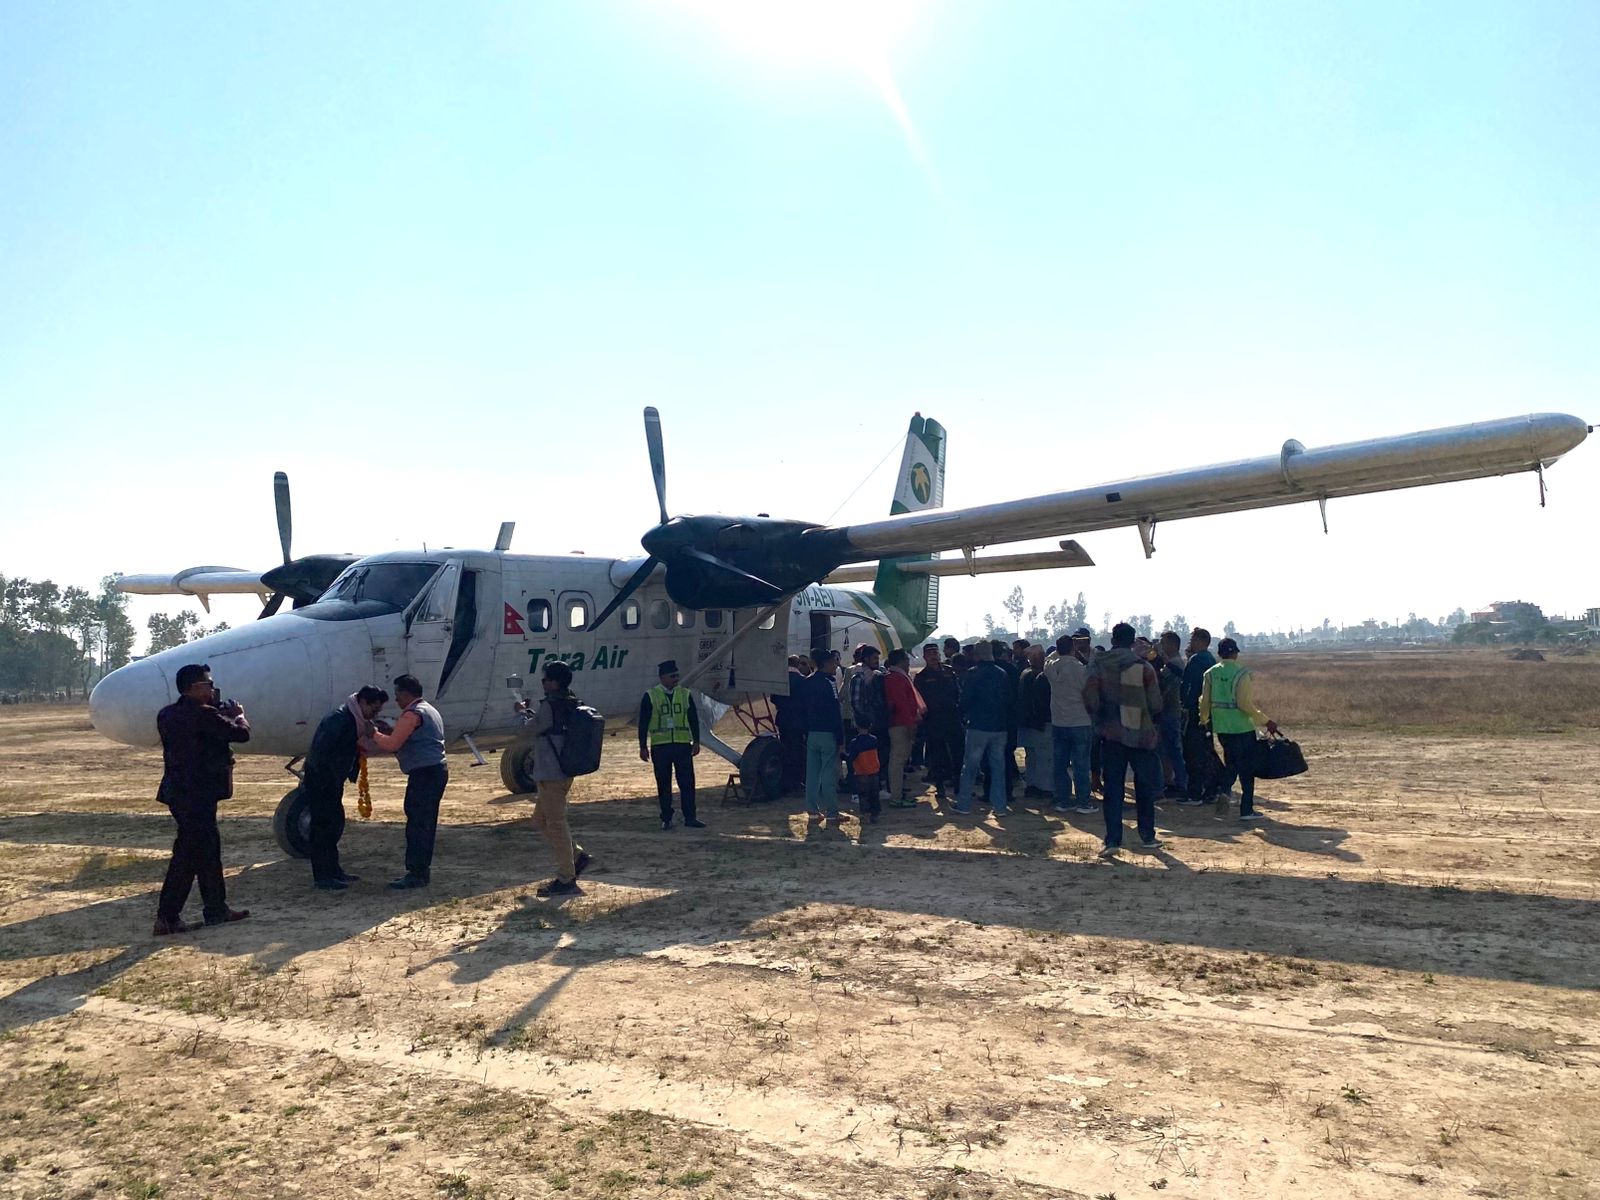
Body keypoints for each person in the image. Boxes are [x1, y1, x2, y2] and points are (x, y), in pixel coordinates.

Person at [152, 662, 251, 935]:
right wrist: (239, 716)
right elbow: (242, 734)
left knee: (206, 853)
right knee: (189, 856)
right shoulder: (204, 715)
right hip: (199, 793)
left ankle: (215, 909)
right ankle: (168, 917)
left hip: (177, 792)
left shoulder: (167, 715)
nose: (212, 689)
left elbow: (196, 733)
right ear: (194, 688)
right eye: (207, 684)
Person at [1084, 623, 1164, 856]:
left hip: (1111, 735)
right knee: (1144, 787)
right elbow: (1156, 704)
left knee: (1113, 788)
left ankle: (1112, 840)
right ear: (1131, 642)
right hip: (1140, 735)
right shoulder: (1143, 667)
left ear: (1112, 640)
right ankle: (1147, 836)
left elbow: (1089, 697)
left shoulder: (1098, 665)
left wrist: (1099, 720)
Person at [301, 686, 389, 890]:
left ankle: (333, 870)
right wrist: (329, 780)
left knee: (332, 826)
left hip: (331, 781)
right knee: (323, 828)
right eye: (373, 710)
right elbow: (323, 754)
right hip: (323, 782)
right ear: (363, 703)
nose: (374, 715)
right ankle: (323, 876)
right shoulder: (340, 720)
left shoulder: (351, 719)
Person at [368, 674, 448, 890]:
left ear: (405, 693)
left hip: (424, 773)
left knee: (417, 823)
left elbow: (393, 744)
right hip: (435, 770)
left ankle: (416, 872)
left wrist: (373, 733)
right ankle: (421, 871)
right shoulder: (429, 710)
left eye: (397, 694)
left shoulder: (412, 714)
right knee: (425, 821)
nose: (396, 700)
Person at [521, 660, 592, 895]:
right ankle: (577, 857)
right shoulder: (570, 702)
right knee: (541, 821)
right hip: (561, 769)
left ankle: (566, 878)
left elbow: (532, 729)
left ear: (554, 682)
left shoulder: (551, 705)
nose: (543, 683)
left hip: (551, 771)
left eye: (545, 679)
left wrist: (522, 715)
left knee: (556, 824)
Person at [1200, 638, 1279, 822]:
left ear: (1219, 654)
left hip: (1223, 729)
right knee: (1247, 769)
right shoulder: (1242, 673)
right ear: (1235, 653)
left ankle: (1225, 791)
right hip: (1242, 728)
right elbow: (1245, 704)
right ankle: (1246, 809)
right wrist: (1266, 721)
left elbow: (1204, 701)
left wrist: (1204, 720)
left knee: (1232, 763)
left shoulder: (1210, 674)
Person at [639, 660, 703, 830]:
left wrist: (696, 740)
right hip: (661, 746)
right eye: (672, 676)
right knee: (664, 784)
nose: (676, 679)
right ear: (662, 678)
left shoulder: (685, 694)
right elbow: (643, 722)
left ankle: (690, 817)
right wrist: (642, 746)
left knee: (687, 783)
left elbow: (693, 719)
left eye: (677, 676)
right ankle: (666, 817)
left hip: (682, 744)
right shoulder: (651, 695)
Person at [955, 640, 1011, 817]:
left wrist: (961, 714)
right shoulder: (1002, 674)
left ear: (977, 655)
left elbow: (966, 700)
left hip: (978, 726)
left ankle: (963, 804)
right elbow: (1008, 700)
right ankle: (1000, 807)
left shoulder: (973, 674)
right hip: (999, 727)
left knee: (970, 767)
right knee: (997, 768)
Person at [1044, 635, 1096, 815]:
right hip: (1080, 720)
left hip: (1059, 721)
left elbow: (1047, 659)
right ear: (1073, 647)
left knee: (1060, 764)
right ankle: (1083, 801)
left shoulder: (1051, 667)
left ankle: (1063, 800)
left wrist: (1057, 653)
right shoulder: (1081, 669)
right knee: (1081, 764)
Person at [799, 649, 850, 826]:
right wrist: (841, 740)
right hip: (828, 733)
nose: (835, 665)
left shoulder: (807, 682)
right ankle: (832, 812)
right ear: (827, 663)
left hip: (812, 732)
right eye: (833, 662)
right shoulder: (830, 682)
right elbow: (835, 713)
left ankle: (812, 810)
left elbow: (803, 710)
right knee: (828, 774)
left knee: (812, 774)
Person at [914, 642, 962, 800]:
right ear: (925, 657)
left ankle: (959, 787)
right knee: (937, 756)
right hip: (933, 721)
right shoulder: (921, 677)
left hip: (952, 718)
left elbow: (957, 692)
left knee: (957, 755)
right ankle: (940, 786)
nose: (934, 656)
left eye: (935, 653)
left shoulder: (949, 672)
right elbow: (919, 700)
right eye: (930, 653)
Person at [1180, 627, 1220, 805]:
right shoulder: (1211, 659)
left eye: (1193, 640)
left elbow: (1187, 685)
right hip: (1209, 711)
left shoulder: (1196, 660)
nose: (1191, 643)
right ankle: (1212, 789)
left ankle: (1194, 793)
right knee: (1206, 750)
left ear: (1201, 641)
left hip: (1195, 711)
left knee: (1193, 752)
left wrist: (1184, 704)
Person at [882, 648, 925, 808]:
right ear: (900, 661)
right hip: (900, 724)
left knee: (898, 761)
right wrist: (910, 725)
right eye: (907, 661)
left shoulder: (896, 677)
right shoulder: (896, 679)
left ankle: (897, 793)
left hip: (900, 722)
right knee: (897, 761)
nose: (909, 664)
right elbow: (902, 704)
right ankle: (896, 796)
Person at [848, 644, 889, 800]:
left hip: (876, 724)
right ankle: (856, 792)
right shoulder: (858, 678)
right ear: (865, 659)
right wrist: (864, 722)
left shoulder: (877, 675)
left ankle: (876, 789)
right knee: (860, 760)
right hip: (864, 725)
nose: (876, 661)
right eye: (874, 658)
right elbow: (856, 702)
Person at [1153, 632, 1189, 800]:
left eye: (1163, 643)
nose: (1161, 646)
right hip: (1169, 711)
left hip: (1170, 711)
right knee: (1167, 750)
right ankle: (1173, 782)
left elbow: (1161, 682)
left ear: (1173, 645)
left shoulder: (1174, 664)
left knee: (1172, 750)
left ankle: (1180, 784)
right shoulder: (1173, 663)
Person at [1018, 646, 1054, 799]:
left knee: (1031, 757)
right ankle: (1045, 788)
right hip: (1042, 722)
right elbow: (1043, 702)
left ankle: (1031, 785)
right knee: (1045, 758)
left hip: (1027, 722)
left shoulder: (1024, 674)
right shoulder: (1043, 676)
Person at [772, 656, 809, 795]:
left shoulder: (780, 679)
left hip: (783, 719)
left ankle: (785, 782)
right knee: (797, 752)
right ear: (797, 664)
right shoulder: (802, 680)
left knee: (785, 750)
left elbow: (773, 698)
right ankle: (795, 783)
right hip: (798, 721)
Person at [845, 718, 882, 823]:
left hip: (862, 772)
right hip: (874, 771)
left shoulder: (855, 742)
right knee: (874, 794)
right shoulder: (874, 739)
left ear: (857, 727)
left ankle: (865, 814)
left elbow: (851, 757)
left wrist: (843, 756)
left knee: (864, 795)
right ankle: (875, 814)